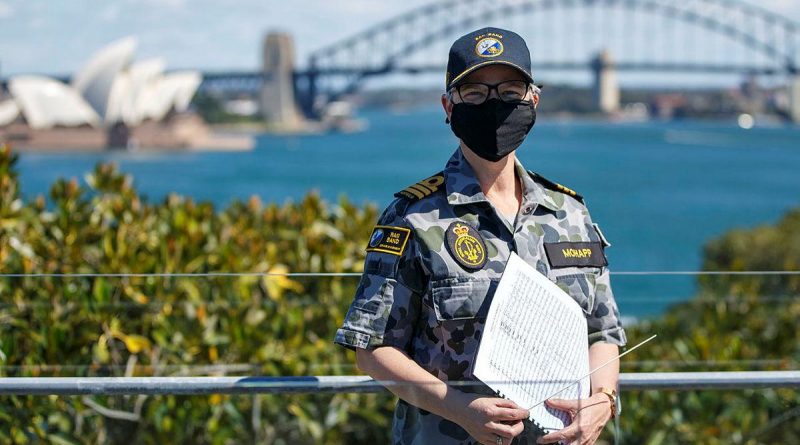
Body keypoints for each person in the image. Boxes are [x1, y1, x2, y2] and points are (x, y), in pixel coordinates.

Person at [334, 27, 627, 445]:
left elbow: (602, 334)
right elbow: (373, 350)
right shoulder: (413, 217)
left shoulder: (570, 215)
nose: (494, 104)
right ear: (448, 107)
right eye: (474, 93)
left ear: (533, 100)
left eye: (510, 91)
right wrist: (459, 409)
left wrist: (603, 400)